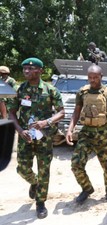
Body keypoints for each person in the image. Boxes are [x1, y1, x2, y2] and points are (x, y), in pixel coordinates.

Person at [8, 57, 65, 219]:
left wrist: (46, 122)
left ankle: (40, 202)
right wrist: (20, 130)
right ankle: (34, 183)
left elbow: (61, 112)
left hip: (44, 137)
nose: (26, 71)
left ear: (39, 71)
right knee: (22, 169)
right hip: (25, 136)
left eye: (30, 69)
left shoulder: (50, 90)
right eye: (24, 68)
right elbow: (12, 112)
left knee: (44, 170)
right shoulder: (20, 90)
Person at [66, 64, 107, 204]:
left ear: (101, 77)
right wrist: (70, 129)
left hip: (103, 134)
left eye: (95, 77)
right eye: (90, 77)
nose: (92, 80)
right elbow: (77, 112)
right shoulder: (82, 92)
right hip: (86, 134)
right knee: (76, 164)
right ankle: (87, 189)